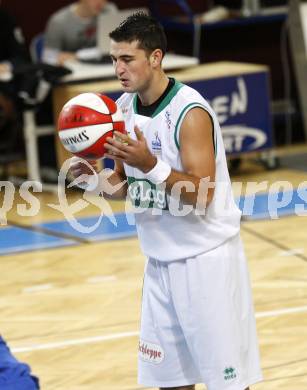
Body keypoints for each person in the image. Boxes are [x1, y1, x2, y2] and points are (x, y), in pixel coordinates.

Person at [70, 12, 262, 390]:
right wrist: (93, 182)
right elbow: (127, 186)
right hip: (158, 262)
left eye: (127, 59)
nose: (119, 69)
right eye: (114, 59)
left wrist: (151, 164)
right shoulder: (122, 110)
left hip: (206, 261)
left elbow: (202, 194)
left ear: (155, 58)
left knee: (227, 383)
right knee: (170, 382)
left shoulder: (189, 113)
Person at [42, 0, 118, 65]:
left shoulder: (109, 11)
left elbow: (114, 47)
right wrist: (58, 59)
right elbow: (48, 58)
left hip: (99, 65)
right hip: (71, 69)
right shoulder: (59, 21)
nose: (100, 2)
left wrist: (77, 55)